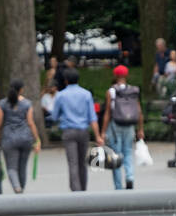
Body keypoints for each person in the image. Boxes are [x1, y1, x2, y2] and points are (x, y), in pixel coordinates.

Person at [51, 69, 103, 192]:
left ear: (66, 80)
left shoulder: (61, 95)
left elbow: (54, 116)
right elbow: (92, 117)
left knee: (73, 163)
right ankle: (83, 189)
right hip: (83, 131)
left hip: (68, 131)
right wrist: (98, 136)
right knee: (82, 163)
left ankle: (76, 190)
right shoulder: (86, 94)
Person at [0, 77, 40, 193]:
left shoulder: (2, 103)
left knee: (12, 167)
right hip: (26, 138)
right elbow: (31, 123)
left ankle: (17, 187)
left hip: (9, 138)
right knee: (22, 167)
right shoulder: (27, 103)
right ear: (21, 89)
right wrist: (37, 140)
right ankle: (21, 190)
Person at [100, 63, 143, 191]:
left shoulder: (111, 91)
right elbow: (139, 110)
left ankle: (118, 185)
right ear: (126, 75)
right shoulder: (133, 90)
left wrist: (103, 131)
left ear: (115, 75)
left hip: (115, 124)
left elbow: (108, 112)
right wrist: (140, 129)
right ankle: (130, 177)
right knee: (128, 152)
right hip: (129, 125)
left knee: (116, 154)